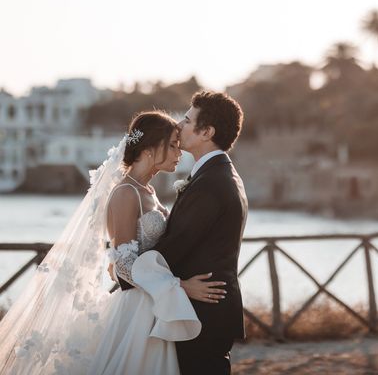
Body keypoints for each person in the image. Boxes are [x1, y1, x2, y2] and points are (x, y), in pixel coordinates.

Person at [0, 110, 227, 374]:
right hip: (137, 309)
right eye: (173, 146)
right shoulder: (125, 193)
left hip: (153, 302)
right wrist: (180, 286)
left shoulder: (149, 191)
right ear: (151, 149)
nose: (180, 154)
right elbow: (122, 265)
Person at [152, 90, 248, 375]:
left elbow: (175, 247)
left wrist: (126, 268)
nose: (178, 126)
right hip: (207, 309)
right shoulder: (220, 174)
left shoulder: (211, 183)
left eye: (186, 120)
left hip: (202, 311)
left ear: (206, 132)